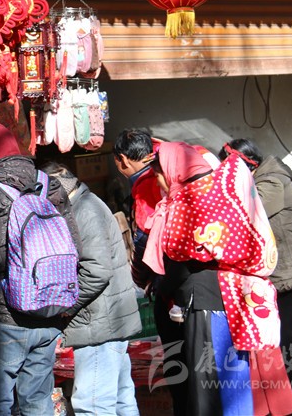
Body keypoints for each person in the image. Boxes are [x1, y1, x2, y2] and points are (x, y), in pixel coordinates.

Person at [145, 141, 292, 416]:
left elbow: (182, 264)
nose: (158, 181)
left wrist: (161, 287)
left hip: (208, 304)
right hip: (231, 299)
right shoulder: (214, 192)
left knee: (214, 385)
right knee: (234, 378)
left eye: (158, 174)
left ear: (172, 169)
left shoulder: (189, 202)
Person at [0, 119, 75, 416]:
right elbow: (74, 245)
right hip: (48, 311)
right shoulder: (48, 184)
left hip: (2, 316)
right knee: (38, 402)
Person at [220, 139, 292, 414]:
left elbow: (244, 213)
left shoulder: (272, 182)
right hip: (278, 281)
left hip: (291, 279)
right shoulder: (261, 180)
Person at [40, 161, 141, 416]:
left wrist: (65, 307)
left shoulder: (84, 211)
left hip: (98, 323)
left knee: (92, 405)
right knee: (121, 401)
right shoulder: (86, 205)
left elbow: (96, 271)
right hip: (107, 319)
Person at [113, 129, 187, 416]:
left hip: (170, 286)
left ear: (122, 160)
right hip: (185, 283)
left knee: (180, 367)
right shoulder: (166, 176)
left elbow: (145, 237)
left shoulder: (145, 184)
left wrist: (139, 277)